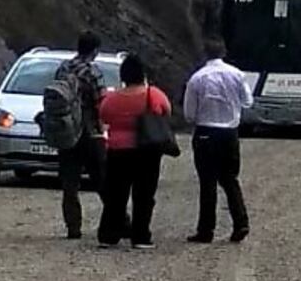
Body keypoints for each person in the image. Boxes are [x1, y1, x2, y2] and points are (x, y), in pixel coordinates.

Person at [97, 54, 171, 249]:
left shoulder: (112, 99)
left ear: (123, 76)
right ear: (143, 74)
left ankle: (109, 234)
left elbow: (103, 116)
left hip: (118, 150)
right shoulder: (153, 94)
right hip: (147, 150)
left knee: (115, 194)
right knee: (144, 195)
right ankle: (141, 236)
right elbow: (166, 111)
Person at [183, 40, 253, 244]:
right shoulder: (237, 75)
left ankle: (206, 230)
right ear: (223, 53)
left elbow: (189, 114)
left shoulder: (197, 79)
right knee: (231, 179)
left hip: (206, 132)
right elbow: (248, 101)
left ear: (204, 54)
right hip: (230, 132)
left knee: (208, 183)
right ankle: (241, 222)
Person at [55, 31, 107, 239]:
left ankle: (73, 227)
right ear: (95, 51)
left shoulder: (63, 69)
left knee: (70, 184)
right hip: (90, 132)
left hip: (67, 131)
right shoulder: (92, 73)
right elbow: (101, 103)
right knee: (102, 180)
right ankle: (120, 219)